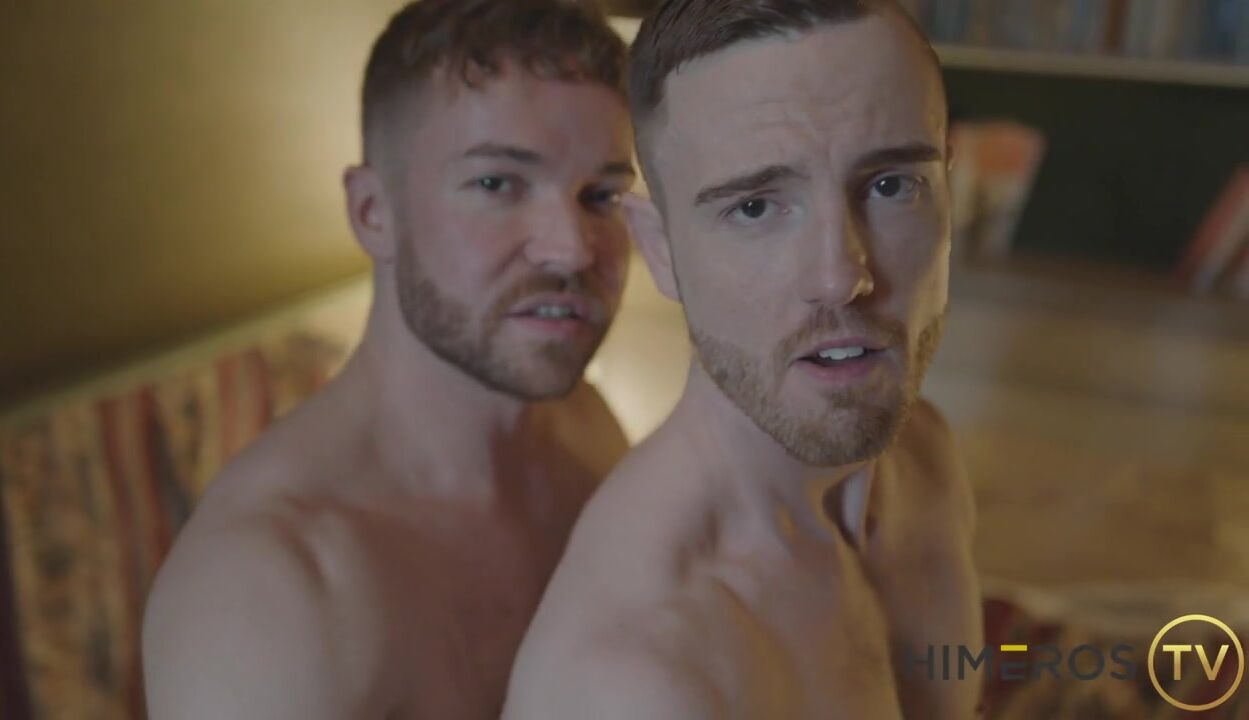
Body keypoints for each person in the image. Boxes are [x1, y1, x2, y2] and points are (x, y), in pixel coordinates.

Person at [141, 1, 635, 717]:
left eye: (602, 195)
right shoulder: (269, 591)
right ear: (374, 213)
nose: (572, 248)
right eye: (498, 184)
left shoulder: (588, 431)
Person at [502, 1, 982, 717]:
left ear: (949, 191)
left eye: (891, 185)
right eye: (756, 207)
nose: (841, 276)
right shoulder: (638, 680)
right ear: (659, 249)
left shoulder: (925, 458)